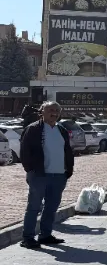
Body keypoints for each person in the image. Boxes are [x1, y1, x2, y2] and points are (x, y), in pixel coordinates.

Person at [19, 101, 74, 249]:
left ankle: (45, 235)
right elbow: (24, 151)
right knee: (34, 207)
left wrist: (68, 170)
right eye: (50, 110)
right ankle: (28, 238)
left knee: (51, 207)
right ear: (42, 112)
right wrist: (30, 170)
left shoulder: (61, 130)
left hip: (59, 175)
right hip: (39, 175)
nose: (54, 113)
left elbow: (67, 150)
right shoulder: (33, 129)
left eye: (56, 110)